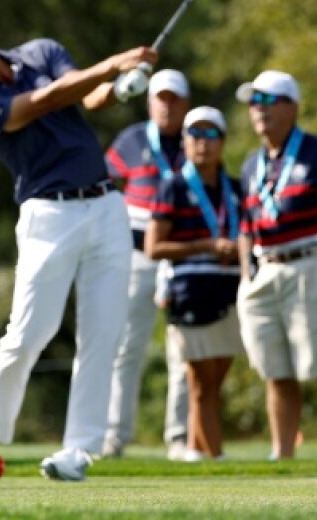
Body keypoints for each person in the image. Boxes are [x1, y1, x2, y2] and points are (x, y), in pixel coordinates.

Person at [0, 11, 156, 483]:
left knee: (103, 334)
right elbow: (45, 100)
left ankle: (80, 450)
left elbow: (84, 95)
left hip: (108, 205)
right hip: (49, 216)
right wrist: (112, 65)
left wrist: (119, 87)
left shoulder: (42, 51)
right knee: (28, 333)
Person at [234, 70, 317, 460]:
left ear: (292, 106)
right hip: (265, 271)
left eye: (267, 101)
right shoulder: (250, 164)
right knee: (275, 372)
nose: (257, 110)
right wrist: (246, 272)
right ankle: (282, 456)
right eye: (253, 103)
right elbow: (245, 225)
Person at [100, 70, 192, 460]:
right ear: (149, 101)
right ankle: (114, 437)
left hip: (184, 255)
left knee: (184, 351)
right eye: (160, 98)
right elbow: (103, 182)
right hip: (136, 255)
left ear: (185, 103)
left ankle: (180, 438)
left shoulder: (198, 136)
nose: (166, 105)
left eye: (173, 99)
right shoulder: (133, 139)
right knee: (126, 348)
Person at [145, 106, 244, 461]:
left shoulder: (235, 188)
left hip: (231, 291)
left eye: (211, 134)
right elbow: (153, 247)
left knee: (215, 383)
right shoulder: (173, 186)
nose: (203, 143)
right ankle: (216, 458)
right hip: (189, 293)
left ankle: (196, 450)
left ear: (223, 141)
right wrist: (206, 245)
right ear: (185, 142)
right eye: (195, 135)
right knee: (201, 384)